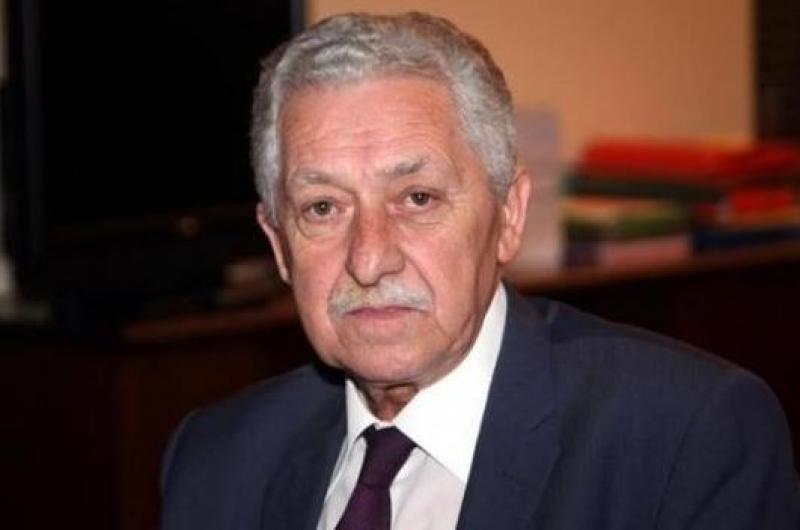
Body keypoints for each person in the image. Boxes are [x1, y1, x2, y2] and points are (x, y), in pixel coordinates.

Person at [160, 12, 800, 529]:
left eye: (417, 199)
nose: (369, 259)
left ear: (508, 216)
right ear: (278, 245)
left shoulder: (685, 438)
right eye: (323, 208)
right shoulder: (216, 461)